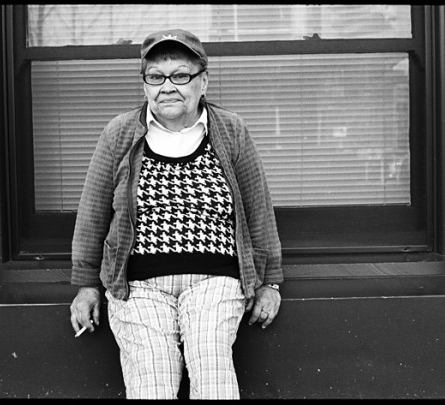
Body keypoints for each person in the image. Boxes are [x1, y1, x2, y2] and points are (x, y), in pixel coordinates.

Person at [69, 28, 283, 399]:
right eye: (155, 77)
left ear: (203, 81)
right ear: (145, 84)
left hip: (215, 283)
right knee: (152, 383)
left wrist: (271, 282)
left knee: (212, 368)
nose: (167, 86)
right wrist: (87, 285)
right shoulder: (119, 133)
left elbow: (257, 207)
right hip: (137, 287)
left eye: (180, 75)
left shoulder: (230, 130)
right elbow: (92, 213)